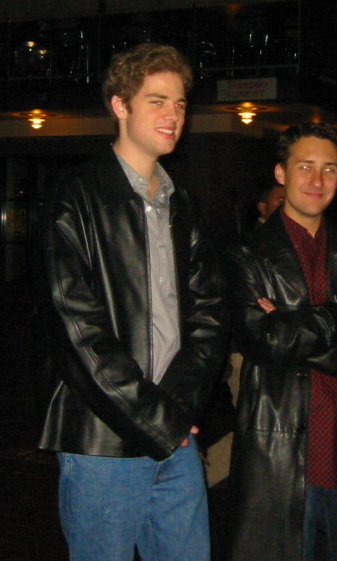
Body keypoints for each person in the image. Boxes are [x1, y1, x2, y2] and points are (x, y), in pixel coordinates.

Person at [37, 43, 225, 561]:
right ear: (120, 105)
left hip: (176, 433)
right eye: (157, 101)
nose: (173, 115)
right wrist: (156, 418)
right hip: (103, 439)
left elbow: (209, 313)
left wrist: (178, 407)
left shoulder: (179, 200)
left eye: (180, 104)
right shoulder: (77, 193)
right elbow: (75, 328)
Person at [226, 123, 337, 561]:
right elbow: (266, 341)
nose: (318, 180)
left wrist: (293, 329)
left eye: (330, 169)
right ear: (281, 173)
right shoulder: (245, 254)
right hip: (282, 440)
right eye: (305, 166)